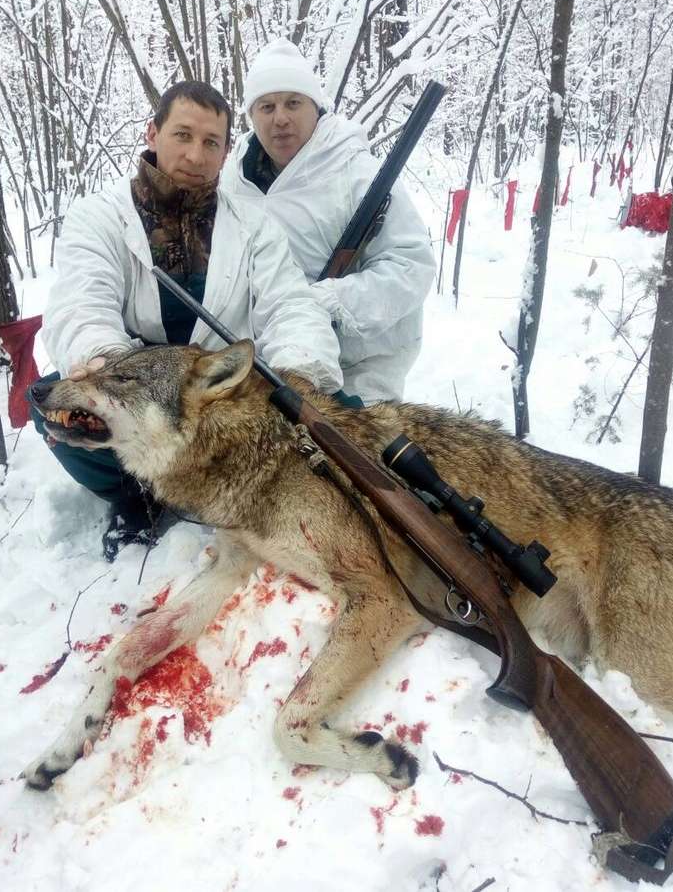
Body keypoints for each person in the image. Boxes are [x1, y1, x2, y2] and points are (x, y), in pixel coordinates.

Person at [32, 79, 343, 561]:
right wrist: (117, 381)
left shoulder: (253, 223)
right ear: (152, 133)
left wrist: (299, 377)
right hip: (135, 387)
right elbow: (81, 304)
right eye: (183, 135)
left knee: (338, 410)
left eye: (211, 143)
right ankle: (140, 499)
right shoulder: (99, 217)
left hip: (218, 392)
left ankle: (271, 489)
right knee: (57, 405)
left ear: (225, 153)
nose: (196, 156)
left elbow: (289, 303)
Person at [221, 39, 436, 404]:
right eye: (266, 106)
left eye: (293, 102)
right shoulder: (231, 180)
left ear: (315, 107)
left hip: (361, 366)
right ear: (251, 116)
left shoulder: (357, 172)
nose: (281, 118)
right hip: (264, 363)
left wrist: (329, 300)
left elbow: (411, 266)